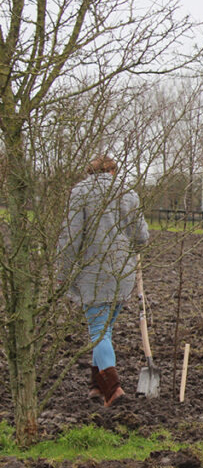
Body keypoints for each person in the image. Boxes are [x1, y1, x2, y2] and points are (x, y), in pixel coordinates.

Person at [58, 156, 149, 407]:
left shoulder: (80, 192)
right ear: (112, 172)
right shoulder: (128, 193)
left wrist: (63, 273)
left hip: (94, 274)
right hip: (123, 273)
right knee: (104, 329)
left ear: (90, 172)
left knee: (99, 331)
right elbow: (141, 237)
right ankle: (96, 386)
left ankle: (113, 389)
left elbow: (71, 235)